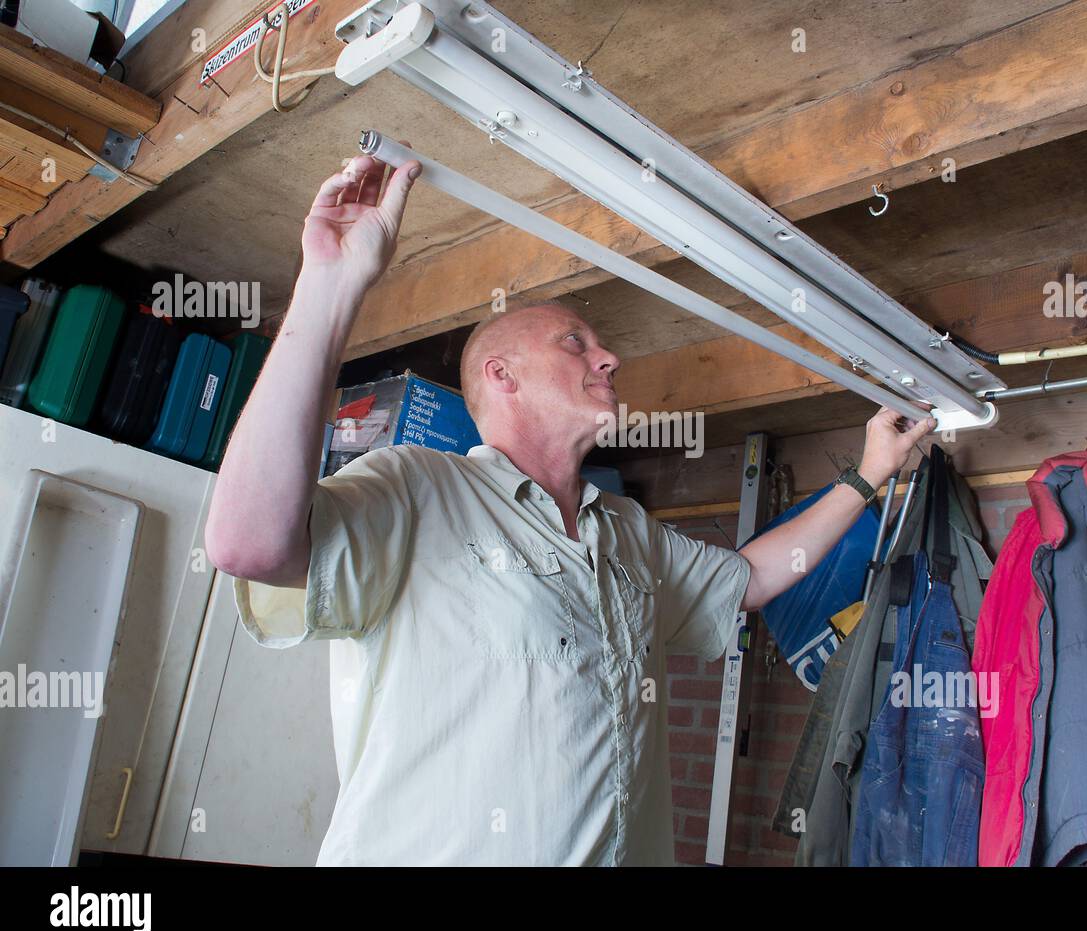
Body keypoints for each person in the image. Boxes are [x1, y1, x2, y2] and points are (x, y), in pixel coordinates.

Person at [205, 150, 935, 865]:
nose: (608, 359)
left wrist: (870, 472)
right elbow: (250, 546)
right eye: (575, 344)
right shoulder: (419, 490)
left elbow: (748, 580)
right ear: (503, 376)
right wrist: (331, 286)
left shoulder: (625, 533)